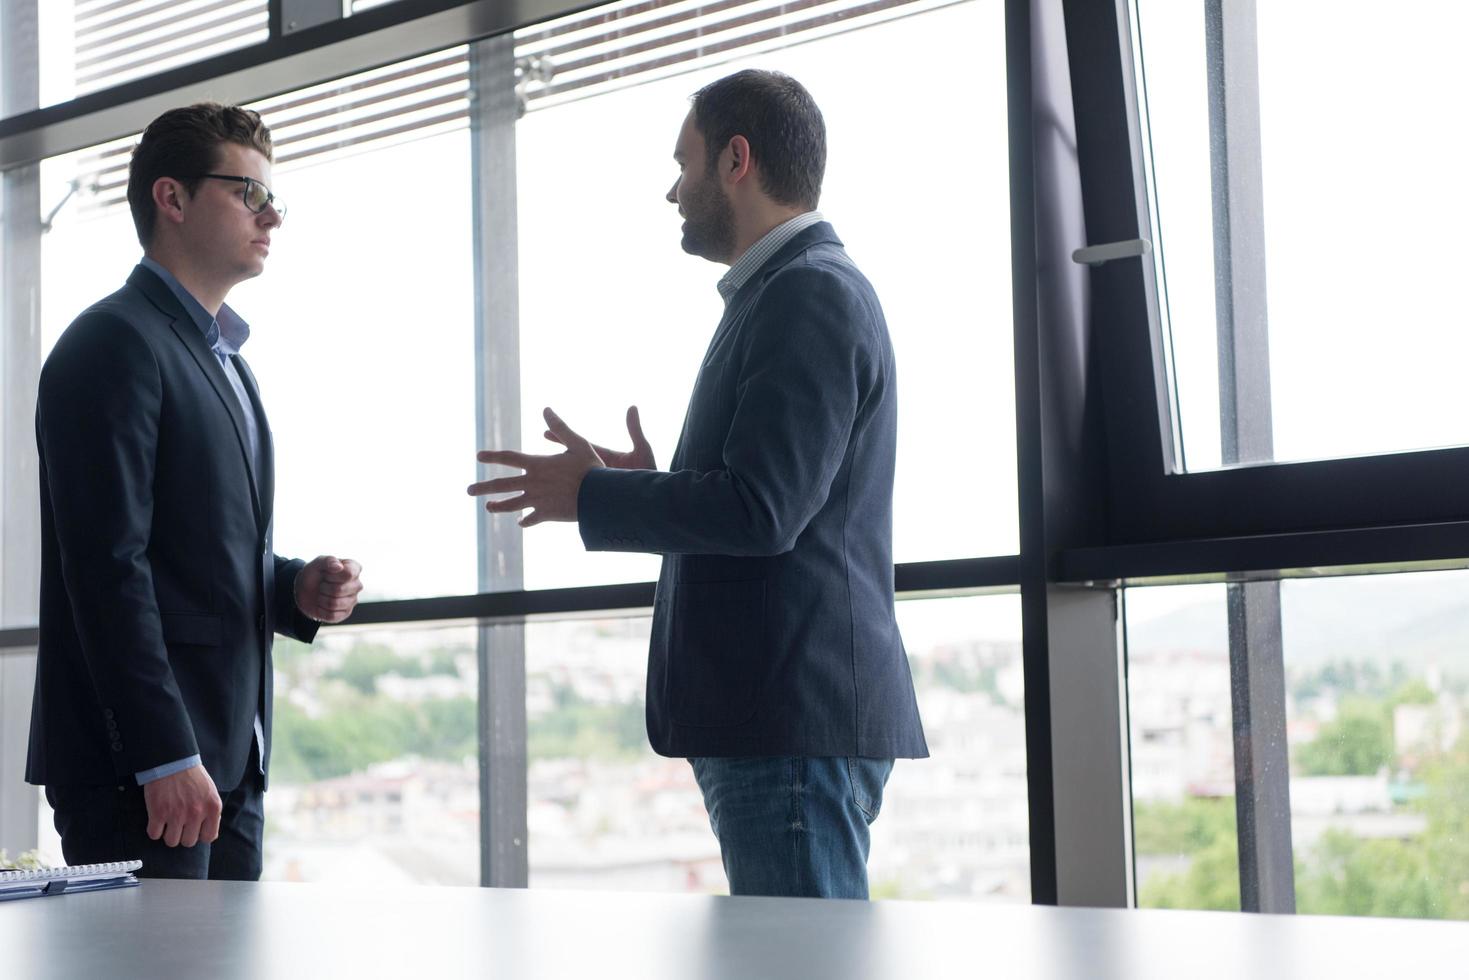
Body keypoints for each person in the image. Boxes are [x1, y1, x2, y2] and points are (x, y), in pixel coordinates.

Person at [469, 69, 926, 899]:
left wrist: (595, 496)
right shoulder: (785, 294)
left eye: (683, 163)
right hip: (781, 720)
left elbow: (762, 510)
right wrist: (656, 485)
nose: (671, 190)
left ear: (735, 160)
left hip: (787, 719)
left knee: (798, 972)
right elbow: (766, 493)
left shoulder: (807, 295)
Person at [27, 103, 364, 881]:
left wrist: (292, 587)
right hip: (145, 768)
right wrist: (161, 753)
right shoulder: (112, 342)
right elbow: (108, 567)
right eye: (247, 193)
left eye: (272, 196)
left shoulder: (227, 362)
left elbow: (196, 554)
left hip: (228, 760)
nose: (272, 214)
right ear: (171, 199)